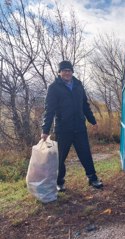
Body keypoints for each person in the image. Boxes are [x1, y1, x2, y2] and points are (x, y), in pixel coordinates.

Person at [41, 60, 103, 192]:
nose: (67, 73)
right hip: (63, 129)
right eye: (64, 71)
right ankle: (59, 182)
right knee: (60, 157)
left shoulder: (78, 85)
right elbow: (49, 110)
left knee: (85, 153)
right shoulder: (54, 88)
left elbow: (85, 105)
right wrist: (45, 130)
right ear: (59, 73)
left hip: (79, 127)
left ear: (72, 71)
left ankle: (92, 178)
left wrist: (93, 121)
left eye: (69, 70)